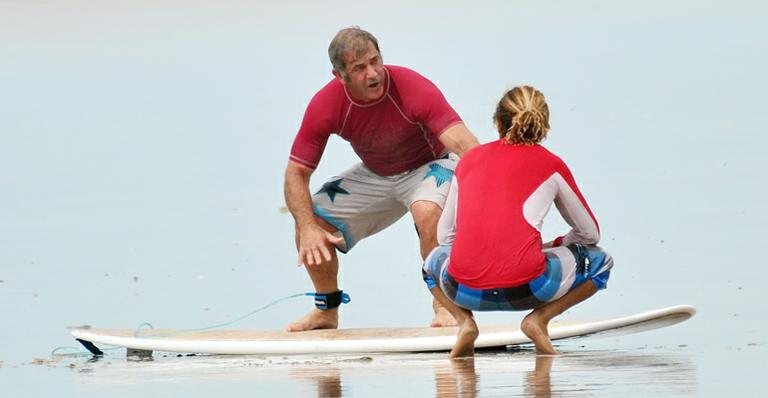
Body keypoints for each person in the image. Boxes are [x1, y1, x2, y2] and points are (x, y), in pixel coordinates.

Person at [284, 26, 479, 332]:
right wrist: (307, 227)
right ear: (339, 75)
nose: (373, 73)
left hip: (432, 165)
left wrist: (496, 195)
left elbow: (466, 146)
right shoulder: (326, 104)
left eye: (376, 61)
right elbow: (296, 172)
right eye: (359, 68)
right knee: (311, 220)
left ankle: (444, 305)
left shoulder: (412, 87)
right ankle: (326, 310)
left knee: (427, 210)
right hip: (376, 172)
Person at [422, 85, 614, 357]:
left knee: (431, 263)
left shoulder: (469, 160)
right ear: (543, 125)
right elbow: (590, 234)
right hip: (531, 290)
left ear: (497, 122)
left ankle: (465, 323)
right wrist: (555, 245)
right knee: (600, 261)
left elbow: (445, 238)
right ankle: (539, 320)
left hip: (463, 290)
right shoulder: (551, 163)